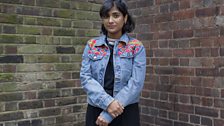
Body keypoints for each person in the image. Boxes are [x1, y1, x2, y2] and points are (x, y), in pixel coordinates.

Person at [80, 0, 146, 126]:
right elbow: (85, 78)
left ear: (125, 18)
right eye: (106, 16)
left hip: (125, 110)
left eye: (116, 15)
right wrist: (108, 103)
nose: (110, 20)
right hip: (96, 109)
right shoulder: (92, 45)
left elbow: (136, 83)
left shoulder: (136, 47)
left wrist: (108, 114)